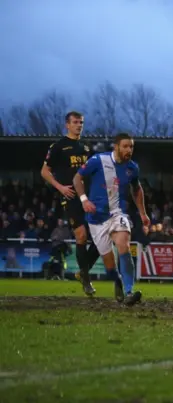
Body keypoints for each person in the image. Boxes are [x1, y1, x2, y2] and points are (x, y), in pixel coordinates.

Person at [72, 133, 150, 306]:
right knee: (110, 267)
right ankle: (118, 282)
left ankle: (129, 291)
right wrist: (84, 200)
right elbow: (77, 178)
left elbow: (136, 190)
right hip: (95, 219)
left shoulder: (132, 168)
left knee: (123, 245)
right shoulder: (98, 160)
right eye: (125, 146)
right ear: (116, 146)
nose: (129, 150)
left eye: (131, 146)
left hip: (117, 214)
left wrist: (143, 214)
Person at [41, 111, 101, 296]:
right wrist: (60, 188)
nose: (79, 125)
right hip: (71, 197)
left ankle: (82, 272)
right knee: (81, 236)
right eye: (75, 122)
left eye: (81, 122)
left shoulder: (86, 147)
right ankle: (86, 280)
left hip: (90, 197)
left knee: (101, 239)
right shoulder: (58, 147)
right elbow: (44, 171)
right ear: (67, 124)